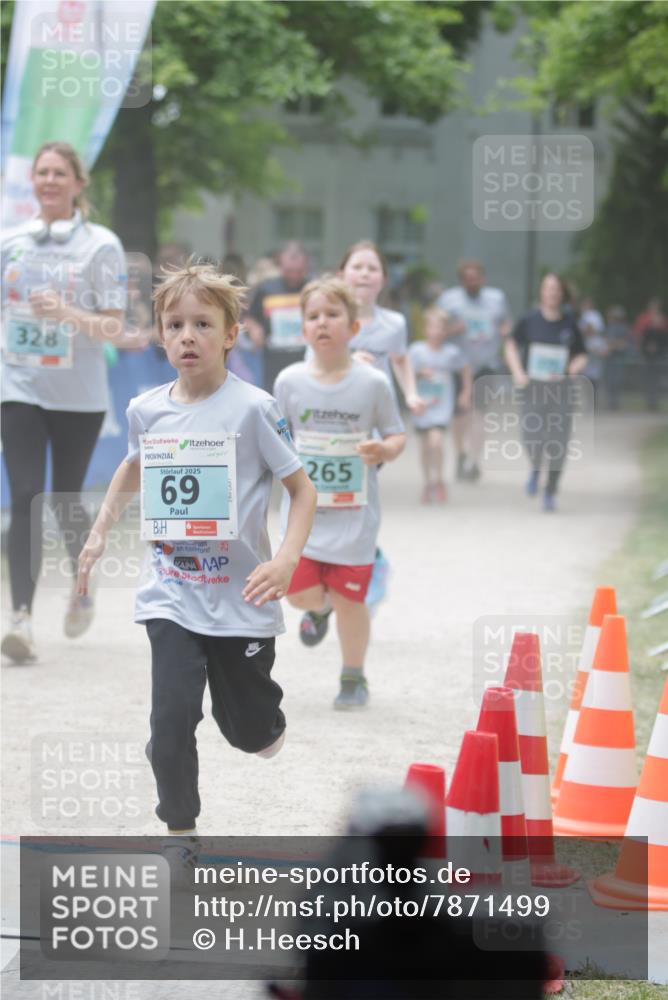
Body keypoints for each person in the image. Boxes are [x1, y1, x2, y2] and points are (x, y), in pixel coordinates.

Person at [76, 262, 316, 856]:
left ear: (231, 334)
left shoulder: (254, 409)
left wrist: (285, 559)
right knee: (172, 715)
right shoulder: (146, 409)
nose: (188, 335)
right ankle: (180, 829)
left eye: (203, 324)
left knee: (252, 735)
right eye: (174, 324)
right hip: (172, 590)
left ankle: (260, 723)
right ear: (160, 334)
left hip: (241, 597)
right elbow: (134, 467)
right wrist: (100, 531)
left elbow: (302, 490)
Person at [1, 141, 127, 663]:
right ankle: (22, 619)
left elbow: (115, 326)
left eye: (60, 173)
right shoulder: (11, 242)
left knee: (65, 499)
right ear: (33, 182)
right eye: (42, 173)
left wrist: (68, 315)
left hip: (78, 393)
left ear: (79, 184)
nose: (49, 181)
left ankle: (81, 585)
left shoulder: (101, 245)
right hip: (19, 385)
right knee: (27, 494)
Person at [274, 276, 405, 710]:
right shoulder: (289, 382)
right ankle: (318, 609)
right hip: (305, 514)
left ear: (353, 328)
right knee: (296, 592)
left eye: (333, 315)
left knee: (351, 599)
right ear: (303, 329)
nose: (322, 323)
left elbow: (396, 435)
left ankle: (353, 677)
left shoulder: (372, 383)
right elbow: (278, 438)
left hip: (354, 513)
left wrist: (383, 448)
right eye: (313, 316)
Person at [504, 273, 588, 512]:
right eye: (547, 288)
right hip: (532, 389)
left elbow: (582, 353)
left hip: (561, 391)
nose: (552, 293)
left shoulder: (570, 324)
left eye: (556, 289)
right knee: (532, 436)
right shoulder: (529, 320)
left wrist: (574, 367)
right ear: (541, 292)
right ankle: (535, 467)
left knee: (558, 442)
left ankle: (550, 490)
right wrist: (518, 372)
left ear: (562, 294)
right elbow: (510, 345)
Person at [437, 260, 512, 481]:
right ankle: (461, 454)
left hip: (486, 364)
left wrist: (503, 331)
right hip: (458, 364)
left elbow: (507, 325)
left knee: (479, 413)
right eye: (468, 280)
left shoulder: (496, 299)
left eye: (476, 278)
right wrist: (453, 329)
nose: (473, 283)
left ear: (483, 279)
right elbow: (435, 331)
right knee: (461, 414)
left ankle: (474, 460)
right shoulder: (448, 300)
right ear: (461, 282)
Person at [339, 240, 424, 415]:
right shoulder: (327, 320)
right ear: (341, 275)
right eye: (357, 267)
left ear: (384, 279)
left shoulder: (395, 323)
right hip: (337, 411)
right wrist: (348, 362)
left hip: (380, 413)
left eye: (372, 269)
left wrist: (411, 394)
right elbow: (313, 365)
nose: (365, 274)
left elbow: (400, 358)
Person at [408, 307, 472, 503]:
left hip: (442, 405)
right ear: (426, 329)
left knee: (436, 441)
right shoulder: (416, 350)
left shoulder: (452, 352)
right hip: (422, 406)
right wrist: (419, 374)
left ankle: (439, 480)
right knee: (425, 445)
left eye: (440, 328)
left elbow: (465, 370)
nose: (436, 332)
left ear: (446, 330)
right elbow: (406, 374)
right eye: (432, 327)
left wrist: (466, 392)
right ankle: (428, 482)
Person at [246, 241, 310, 392]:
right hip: (273, 362)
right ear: (280, 265)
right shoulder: (266, 289)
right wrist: (254, 329)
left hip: (305, 360)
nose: (294, 275)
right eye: (289, 270)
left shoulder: (312, 289)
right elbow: (249, 317)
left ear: (306, 267)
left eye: (299, 271)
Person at [633, 298, 668, 411]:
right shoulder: (646, 326)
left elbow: (664, 341)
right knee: (648, 379)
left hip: (659, 357)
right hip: (647, 356)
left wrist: (658, 348)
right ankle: (649, 401)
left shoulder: (662, 327)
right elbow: (640, 337)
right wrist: (645, 348)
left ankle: (655, 402)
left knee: (657, 379)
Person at [604, 305, 633, 411]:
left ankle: (615, 403)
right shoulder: (609, 327)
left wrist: (614, 345)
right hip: (610, 358)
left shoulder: (623, 328)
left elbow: (625, 343)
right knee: (610, 381)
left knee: (617, 380)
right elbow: (607, 342)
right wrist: (612, 345)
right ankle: (611, 403)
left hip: (618, 358)